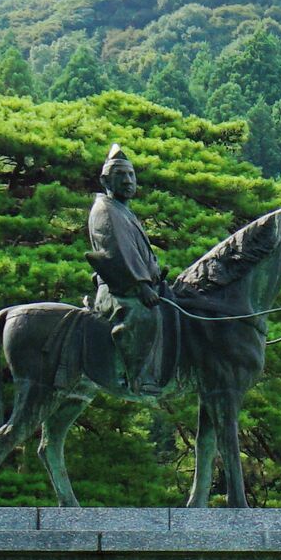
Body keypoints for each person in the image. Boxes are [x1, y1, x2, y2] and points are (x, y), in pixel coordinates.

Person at [83, 145, 177, 391]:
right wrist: (142, 285)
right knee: (146, 315)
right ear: (105, 180)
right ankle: (135, 376)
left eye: (131, 175)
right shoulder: (104, 209)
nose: (127, 181)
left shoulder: (125, 211)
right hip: (120, 289)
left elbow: (138, 252)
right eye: (120, 175)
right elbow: (118, 252)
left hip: (138, 285)